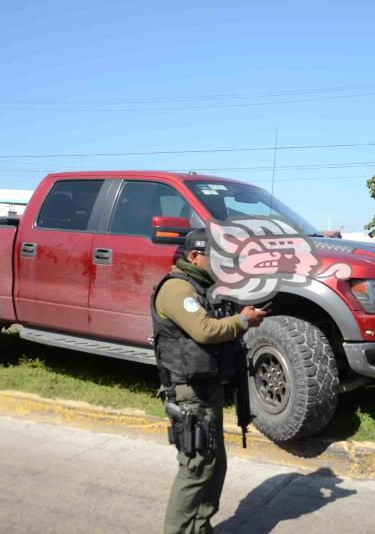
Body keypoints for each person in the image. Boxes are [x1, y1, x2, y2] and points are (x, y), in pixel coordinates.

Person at [152, 228, 266, 534]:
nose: (219, 263)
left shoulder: (198, 288)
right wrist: (243, 321)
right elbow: (203, 330)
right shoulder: (177, 290)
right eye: (213, 257)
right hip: (189, 395)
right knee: (196, 469)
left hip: (205, 390)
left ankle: (200, 528)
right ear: (193, 257)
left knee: (213, 467)